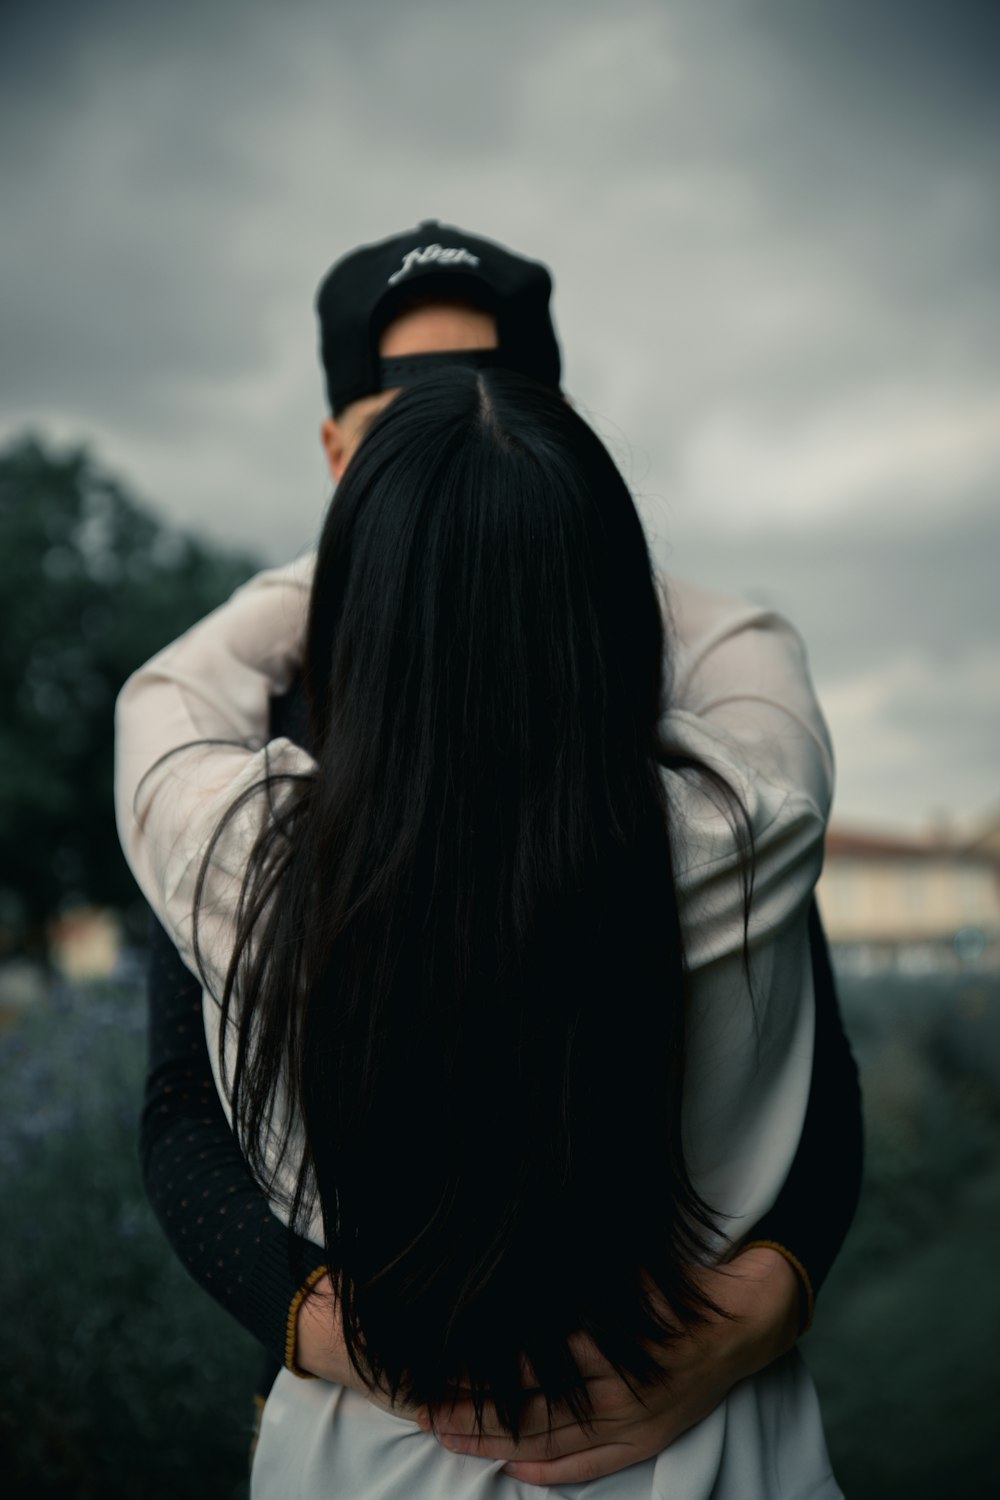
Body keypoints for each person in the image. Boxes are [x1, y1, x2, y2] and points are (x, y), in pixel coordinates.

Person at [134, 225, 861, 1485]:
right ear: (336, 452)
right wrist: (338, 1333)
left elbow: (822, 1066)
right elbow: (178, 1113)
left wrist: (770, 1294)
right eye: (408, 410)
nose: (456, 425)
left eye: (493, 400)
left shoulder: (227, 822)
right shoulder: (746, 804)